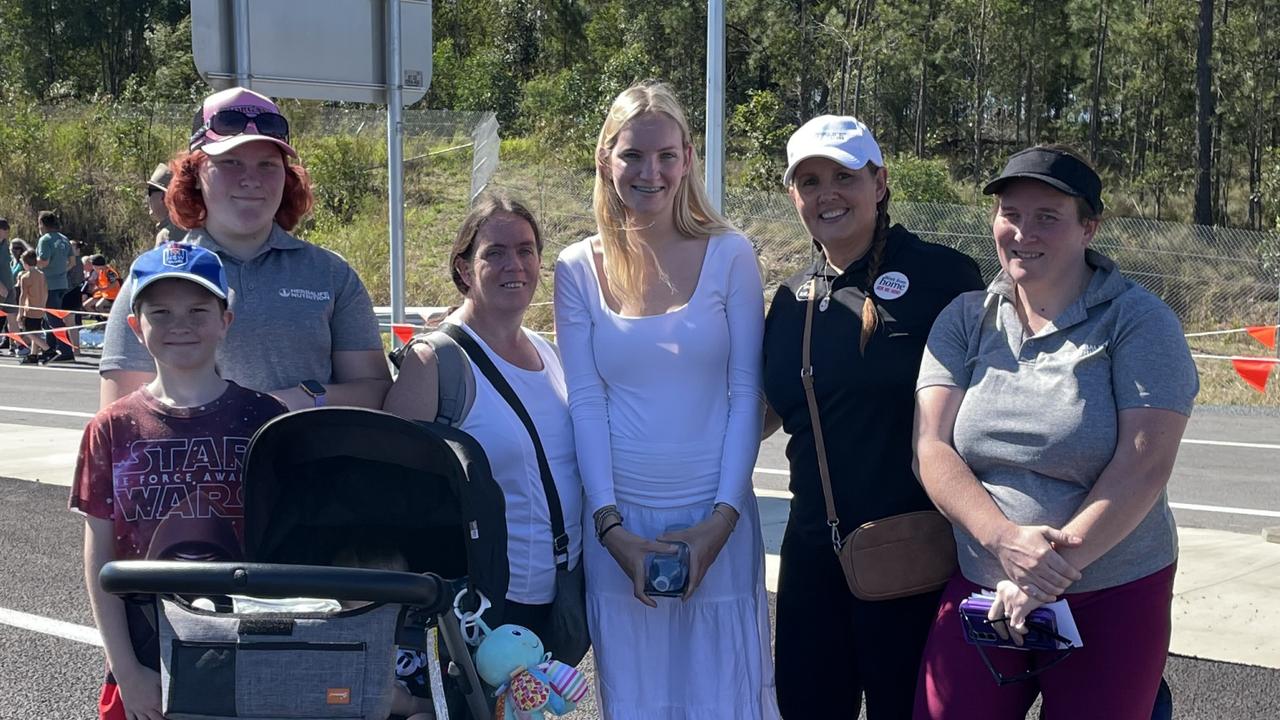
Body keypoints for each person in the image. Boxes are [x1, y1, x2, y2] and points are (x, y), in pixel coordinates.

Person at [912, 145, 1198, 719]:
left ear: (1088, 226)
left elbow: (1143, 466)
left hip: (1112, 590)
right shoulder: (966, 319)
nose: (1023, 232)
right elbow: (931, 447)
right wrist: (1003, 542)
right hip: (985, 585)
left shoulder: (1139, 323)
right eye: (1011, 213)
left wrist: (1044, 574)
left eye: (1048, 216)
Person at [553, 81, 779, 719]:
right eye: (632, 155)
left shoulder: (731, 253)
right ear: (605, 158)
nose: (650, 172)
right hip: (620, 526)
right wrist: (610, 527)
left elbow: (744, 394)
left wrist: (722, 521)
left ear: (687, 159)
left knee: (723, 696)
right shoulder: (576, 266)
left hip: (718, 519)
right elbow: (587, 403)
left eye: (666, 156)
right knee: (639, 697)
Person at [761, 115, 984, 719]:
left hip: (912, 555)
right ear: (793, 196)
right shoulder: (787, 300)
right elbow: (763, 413)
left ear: (880, 182)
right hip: (812, 555)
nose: (826, 193)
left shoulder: (946, 277)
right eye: (809, 181)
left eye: (844, 176)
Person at [71, 243, 287, 720]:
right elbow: (99, 555)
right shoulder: (111, 427)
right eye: (161, 312)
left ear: (225, 320)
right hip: (148, 651)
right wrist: (125, 668)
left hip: (250, 642)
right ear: (135, 326)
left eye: (197, 309)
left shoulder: (266, 419)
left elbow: (289, 544)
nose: (180, 325)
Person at [99, 86, 391, 411]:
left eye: (267, 165)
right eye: (231, 162)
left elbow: (376, 393)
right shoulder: (153, 278)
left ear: (287, 176)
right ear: (194, 175)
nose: (251, 179)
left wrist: (296, 400)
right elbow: (120, 420)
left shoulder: (331, 274)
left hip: (311, 461)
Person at [383, 192, 583, 651]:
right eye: (495, 252)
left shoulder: (549, 353)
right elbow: (393, 494)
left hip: (558, 596)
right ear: (463, 268)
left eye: (526, 250)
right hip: (479, 605)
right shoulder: (435, 361)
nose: (515, 264)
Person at [35, 210, 76, 361]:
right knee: (49, 317)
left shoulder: (45, 240)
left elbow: (44, 262)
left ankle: (66, 351)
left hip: (48, 284)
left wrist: (31, 263)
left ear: (42, 224)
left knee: (54, 319)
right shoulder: (64, 239)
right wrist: (60, 271)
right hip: (62, 283)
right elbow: (71, 262)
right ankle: (50, 347)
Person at [15, 249, 51, 362]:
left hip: (30, 308)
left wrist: (20, 313)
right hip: (40, 307)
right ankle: (33, 354)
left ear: (25, 263)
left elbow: (23, 296)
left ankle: (48, 349)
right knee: (36, 331)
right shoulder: (42, 274)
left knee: (27, 331)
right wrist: (43, 306)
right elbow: (45, 292)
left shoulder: (25, 277)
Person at [146, 162, 182, 246]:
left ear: (164, 197)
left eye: (150, 193)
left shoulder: (166, 236)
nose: (148, 198)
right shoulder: (185, 227)